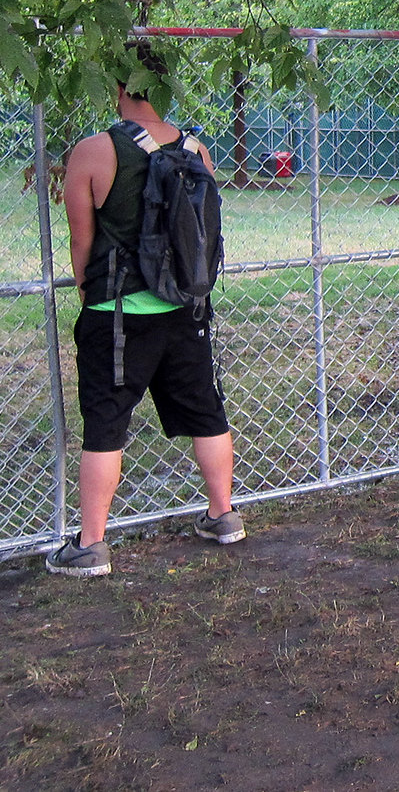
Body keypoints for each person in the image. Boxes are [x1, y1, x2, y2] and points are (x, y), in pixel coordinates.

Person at [48, 43, 244, 576]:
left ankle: (91, 545)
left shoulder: (94, 151)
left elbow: (81, 243)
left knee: (106, 422)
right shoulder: (197, 150)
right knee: (206, 410)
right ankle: (223, 515)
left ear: (118, 87)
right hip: (186, 309)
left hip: (118, 315)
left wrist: (88, 293)